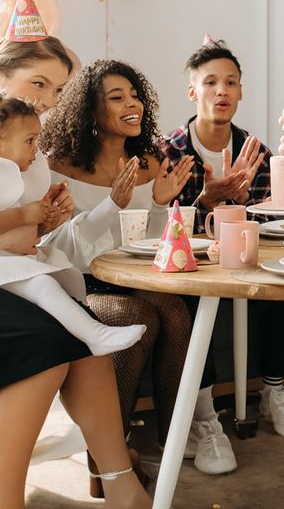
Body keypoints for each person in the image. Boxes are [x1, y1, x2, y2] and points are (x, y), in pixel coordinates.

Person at [0, 35, 152, 509]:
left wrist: (41, 220)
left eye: (58, 90)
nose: (47, 100)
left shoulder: (10, 136)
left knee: (81, 334)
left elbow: (0, 227)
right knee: (46, 344)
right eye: (39, 82)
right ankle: (6, 500)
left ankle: (121, 485)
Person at [159, 38, 284, 472]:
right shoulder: (169, 151)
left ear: (242, 91)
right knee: (192, 299)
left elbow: (273, 224)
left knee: (281, 281)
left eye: (230, 82)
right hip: (192, 268)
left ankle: (273, 389)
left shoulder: (257, 152)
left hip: (247, 263)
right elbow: (160, 231)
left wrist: (247, 208)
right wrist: (207, 201)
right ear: (193, 92)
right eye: (210, 82)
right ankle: (205, 418)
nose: (221, 90)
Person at [40, 60, 194, 486]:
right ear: (90, 111)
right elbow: (56, 249)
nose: (133, 104)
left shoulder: (147, 163)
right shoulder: (58, 166)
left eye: (134, 94)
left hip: (128, 276)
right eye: (116, 97)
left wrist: (161, 203)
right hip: (75, 283)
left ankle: (175, 438)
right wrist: (113, 203)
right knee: (136, 318)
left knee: (177, 314)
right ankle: (106, 456)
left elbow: (149, 247)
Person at [0, 89, 146, 356]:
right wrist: (25, 214)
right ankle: (97, 335)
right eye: (29, 141)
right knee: (42, 285)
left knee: (62, 270)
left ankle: (86, 325)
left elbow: (6, 219)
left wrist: (44, 215)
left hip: (1, 254)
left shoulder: (6, 175)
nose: (36, 149)